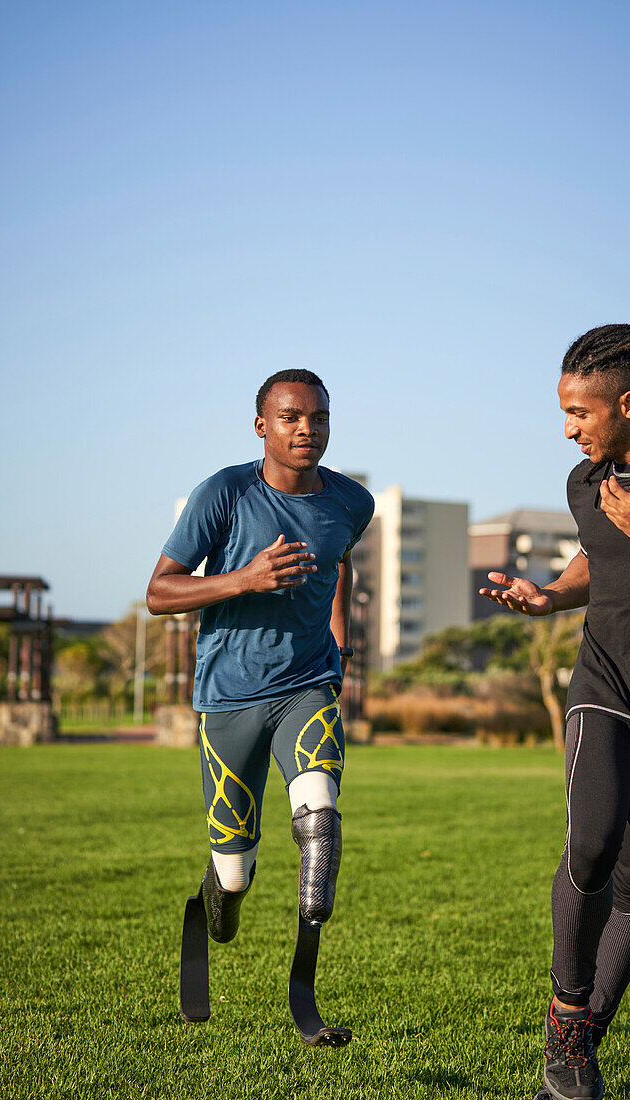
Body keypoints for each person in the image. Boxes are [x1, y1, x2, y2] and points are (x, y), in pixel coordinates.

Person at [480, 313, 630, 1100]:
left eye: (578, 413)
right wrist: (549, 596)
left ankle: (577, 1050)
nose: (567, 430)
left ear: (627, 404)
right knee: (590, 845)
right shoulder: (586, 485)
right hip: (607, 684)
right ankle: (567, 1011)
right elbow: (599, 550)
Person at [147, 368, 374, 1045]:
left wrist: (341, 643)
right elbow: (161, 592)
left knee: (320, 821)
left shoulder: (351, 502)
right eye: (292, 417)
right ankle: (218, 905)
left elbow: (341, 564)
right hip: (228, 698)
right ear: (262, 426)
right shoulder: (224, 493)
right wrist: (244, 579)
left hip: (307, 684)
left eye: (320, 417)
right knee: (234, 872)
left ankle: (304, 994)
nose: (308, 429)